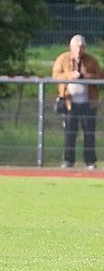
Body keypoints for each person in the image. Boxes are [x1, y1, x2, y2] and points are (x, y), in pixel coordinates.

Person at [52, 34, 101, 170]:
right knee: (70, 133)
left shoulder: (91, 61)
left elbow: (100, 75)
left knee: (89, 134)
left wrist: (87, 76)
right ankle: (68, 161)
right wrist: (69, 76)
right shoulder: (63, 59)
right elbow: (55, 76)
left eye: (82, 47)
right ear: (71, 47)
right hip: (70, 103)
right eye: (77, 47)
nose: (79, 50)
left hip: (88, 103)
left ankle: (90, 162)